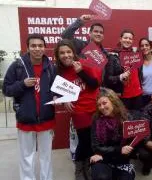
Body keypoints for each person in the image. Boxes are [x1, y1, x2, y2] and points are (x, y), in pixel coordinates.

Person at [2, 34, 56, 180]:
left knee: (46, 156)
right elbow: (6, 89)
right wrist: (22, 84)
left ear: (45, 48)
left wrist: (56, 96)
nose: (37, 49)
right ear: (27, 48)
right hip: (25, 118)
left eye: (40, 46)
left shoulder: (51, 67)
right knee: (27, 156)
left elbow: (56, 89)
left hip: (46, 118)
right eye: (33, 46)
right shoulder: (18, 66)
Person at [54, 39, 101, 180]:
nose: (66, 55)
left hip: (95, 108)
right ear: (58, 55)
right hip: (78, 110)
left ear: (73, 53)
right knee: (84, 140)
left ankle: (89, 166)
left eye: (68, 52)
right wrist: (62, 98)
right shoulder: (58, 71)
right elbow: (53, 89)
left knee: (93, 140)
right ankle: (79, 169)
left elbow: (94, 84)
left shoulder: (83, 63)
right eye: (62, 53)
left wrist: (80, 72)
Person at [90, 88, 135, 180]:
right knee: (102, 177)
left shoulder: (127, 117)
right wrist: (118, 150)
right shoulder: (96, 119)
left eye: (104, 103)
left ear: (113, 101)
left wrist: (123, 151)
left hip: (122, 160)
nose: (102, 107)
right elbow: (96, 146)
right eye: (99, 105)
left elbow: (131, 145)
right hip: (102, 157)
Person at [103, 29, 143, 111]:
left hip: (138, 94)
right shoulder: (113, 55)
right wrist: (120, 76)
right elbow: (107, 79)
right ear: (120, 39)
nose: (127, 40)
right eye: (125, 38)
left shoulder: (136, 53)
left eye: (130, 39)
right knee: (124, 121)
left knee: (137, 119)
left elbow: (139, 73)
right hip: (123, 96)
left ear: (132, 41)